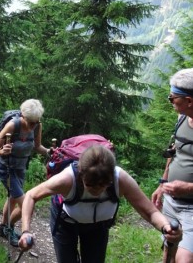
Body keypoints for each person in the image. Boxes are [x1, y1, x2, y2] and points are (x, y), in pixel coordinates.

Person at [18, 145, 182, 263]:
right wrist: (26, 231)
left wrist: (165, 227)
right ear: (81, 174)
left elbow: (150, 211)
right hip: (65, 224)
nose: (97, 190)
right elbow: (31, 195)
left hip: (98, 227)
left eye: (103, 185)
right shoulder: (67, 179)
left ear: (111, 177)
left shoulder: (121, 179)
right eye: (90, 185)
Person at [0, 99, 49, 246]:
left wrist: (50, 152)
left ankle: (4, 227)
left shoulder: (37, 125)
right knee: (26, 204)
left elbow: (37, 147)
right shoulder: (12, 125)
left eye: (36, 122)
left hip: (21, 168)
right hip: (6, 168)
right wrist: (1, 150)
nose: (33, 126)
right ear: (24, 116)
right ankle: (13, 228)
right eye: (31, 122)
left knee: (12, 199)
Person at [151, 67, 193, 263]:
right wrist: (163, 182)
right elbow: (174, 150)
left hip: (192, 207)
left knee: (184, 259)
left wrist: (188, 187)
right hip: (171, 201)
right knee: (169, 251)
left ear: (189, 101)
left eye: (172, 97)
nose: (170, 101)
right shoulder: (182, 118)